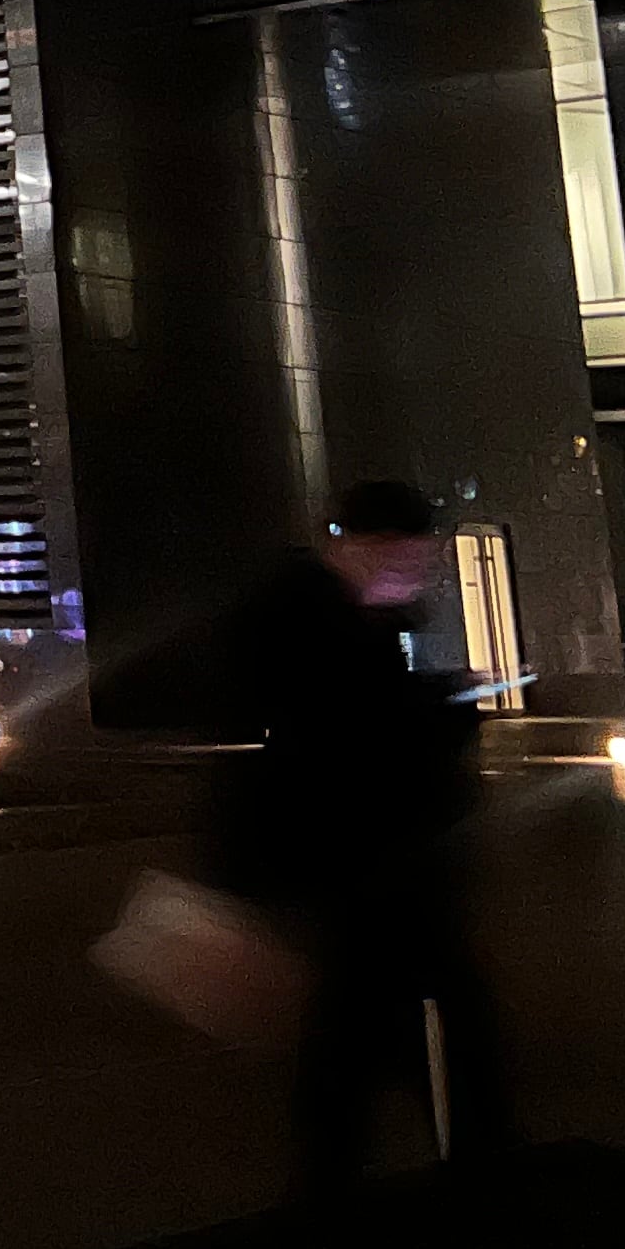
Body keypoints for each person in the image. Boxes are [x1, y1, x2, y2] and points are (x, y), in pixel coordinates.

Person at [212, 477, 519, 1195]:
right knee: (383, 1027)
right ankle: (464, 1171)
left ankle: (360, 1179)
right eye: (407, 555)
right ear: (360, 546)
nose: (418, 570)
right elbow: (349, 734)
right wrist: (444, 710)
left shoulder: (344, 616)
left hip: (376, 862)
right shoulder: (313, 622)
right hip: (361, 862)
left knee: (362, 1032)